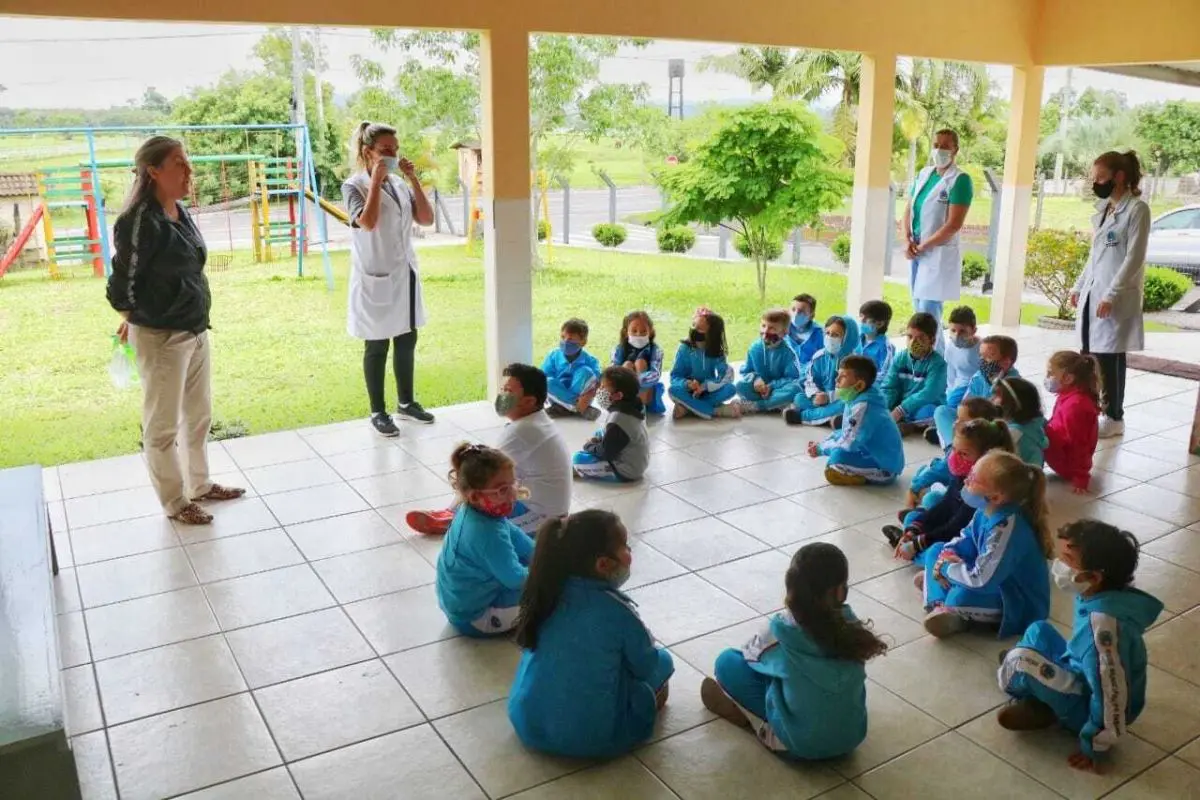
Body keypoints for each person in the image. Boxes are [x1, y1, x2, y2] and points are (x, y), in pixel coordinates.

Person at [106, 135, 244, 526]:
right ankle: (174, 500)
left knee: (198, 417)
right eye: (179, 163)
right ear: (153, 171)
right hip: (162, 337)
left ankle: (199, 485)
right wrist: (134, 317)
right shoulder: (138, 221)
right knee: (162, 426)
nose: (189, 171)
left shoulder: (179, 212)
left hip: (195, 330)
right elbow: (122, 285)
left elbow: (184, 270)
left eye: (188, 162)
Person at [997, 519, 1163, 773]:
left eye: (1067, 561)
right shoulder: (1099, 594)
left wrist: (1094, 745)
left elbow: (1112, 695)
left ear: (1093, 577)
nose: (1059, 565)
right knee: (1038, 629)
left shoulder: (1104, 631)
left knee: (1022, 659)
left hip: (1090, 708)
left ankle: (1031, 697)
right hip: (1084, 676)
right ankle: (1040, 697)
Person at [699, 542, 888, 759]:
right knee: (793, 676)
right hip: (852, 738)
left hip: (799, 747)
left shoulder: (783, 629)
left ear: (792, 586)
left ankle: (755, 721)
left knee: (727, 663)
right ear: (840, 591)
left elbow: (750, 655)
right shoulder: (853, 629)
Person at [508, 510, 673, 758]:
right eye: (626, 547)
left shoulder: (546, 594)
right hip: (592, 739)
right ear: (603, 564)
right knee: (663, 662)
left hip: (527, 723)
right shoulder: (618, 611)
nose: (630, 553)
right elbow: (645, 667)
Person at [343, 121, 436, 437]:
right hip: (376, 277)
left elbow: (426, 218)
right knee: (377, 343)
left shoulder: (399, 185)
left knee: (407, 338)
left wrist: (412, 178)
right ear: (368, 152)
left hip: (404, 273)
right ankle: (378, 411)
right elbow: (367, 222)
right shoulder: (353, 186)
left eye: (395, 151)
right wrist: (375, 183)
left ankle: (406, 403)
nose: (392, 156)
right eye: (385, 151)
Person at [406, 363, 571, 536]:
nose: (502, 396)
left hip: (540, 520)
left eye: (508, 391)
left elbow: (482, 472)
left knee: (483, 491)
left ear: (529, 401)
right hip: (551, 514)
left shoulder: (522, 431)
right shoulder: (537, 421)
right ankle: (453, 516)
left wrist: (455, 506)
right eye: (502, 389)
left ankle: (453, 519)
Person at [918, 451, 1051, 639]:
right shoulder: (986, 509)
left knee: (960, 596)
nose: (966, 480)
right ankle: (941, 604)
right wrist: (948, 554)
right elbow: (966, 537)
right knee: (936, 550)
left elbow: (983, 581)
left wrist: (946, 567)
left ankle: (942, 599)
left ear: (996, 497)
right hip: (989, 577)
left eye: (973, 478)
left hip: (1014, 599)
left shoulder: (1007, 526)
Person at [1071, 150, 1151, 440]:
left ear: (1120, 177)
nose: (1097, 183)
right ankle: (1095, 409)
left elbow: (1134, 258)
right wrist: (1079, 287)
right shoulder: (1105, 208)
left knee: (1110, 356)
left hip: (1114, 296)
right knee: (1093, 353)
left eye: (1101, 177)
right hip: (1096, 291)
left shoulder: (1137, 210)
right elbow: (1095, 256)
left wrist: (1111, 294)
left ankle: (1114, 415)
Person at [435, 443, 534, 637]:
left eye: (512, 484)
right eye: (502, 490)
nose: (513, 494)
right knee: (548, 589)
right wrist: (553, 570)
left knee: (529, 562)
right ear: (474, 496)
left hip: (458, 604)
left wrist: (550, 554)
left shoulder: (472, 511)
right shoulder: (488, 534)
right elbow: (515, 580)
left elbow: (523, 543)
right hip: (476, 618)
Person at [885, 419, 1016, 565]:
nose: (954, 457)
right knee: (914, 517)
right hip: (953, 528)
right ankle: (909, 544)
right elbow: (945, 506)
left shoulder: (982, 490)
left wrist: (917, 544)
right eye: (954, 449)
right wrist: (912, 532)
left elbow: (956, 528)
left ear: (984, 459)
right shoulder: (962, 476)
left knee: (935, 552)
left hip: (962, 539)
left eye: (964, 454)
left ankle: (916, 555)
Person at [904, 128, 974, 354]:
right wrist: (907, 238)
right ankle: (921, 356)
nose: (940, 149)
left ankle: (936, 361)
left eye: (945, 145)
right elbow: (909, 207)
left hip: (936, 252)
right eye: (936, 145)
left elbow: (953, 224)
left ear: (956, 150)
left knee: (929, 312)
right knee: (918, 307)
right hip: (916, 249)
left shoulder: (960, 180)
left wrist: (923, 246)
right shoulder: (924, 174)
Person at [805, 355, 905, 486]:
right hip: (872, 453)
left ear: (859, 385)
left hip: (885, 467)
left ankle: (864, 477)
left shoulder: (863, 407)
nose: (837, 380)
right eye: (838, 375)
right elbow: (846, 432)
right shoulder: (858, 397)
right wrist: (825, 442)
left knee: (836, 458)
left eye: (843, 376)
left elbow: (849, 443)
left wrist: (821, 449)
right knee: (836, 439)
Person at [904, 397, 1000, 517]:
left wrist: (915, 489)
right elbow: (945, 471)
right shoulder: (963, 452)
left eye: (962, 420)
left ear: (976, 428)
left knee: (930, 498)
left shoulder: (986, 464)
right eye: (957, 418)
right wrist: (915, 488)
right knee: (940, 411)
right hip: (955, 490)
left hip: (966, 504)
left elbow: (961, 513)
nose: (955, 423)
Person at [932, 334, 1019, 448]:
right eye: (981, 356)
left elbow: (1003, 419)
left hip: (989, 428)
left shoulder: (1013, 386)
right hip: (971, 420)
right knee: (941, 411)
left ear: (1006, 362)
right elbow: (966, 403)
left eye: (989, 357)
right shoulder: (979, 377)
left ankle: (954, 444)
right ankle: (953, 446)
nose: (982, 361)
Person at [572, 367, 650, 483]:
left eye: (603, 388)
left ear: (618, 396)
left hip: (627, 471)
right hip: (636, 458)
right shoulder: (635, 406)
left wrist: (589, 446)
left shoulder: (618, 419)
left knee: (578, 458)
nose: (599, 390)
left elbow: (605, 453)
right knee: (600, 433)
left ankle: (580, 469)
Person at [1044, 351, 1103, 494]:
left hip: (1067, 464)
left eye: (1051, 374)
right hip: (1061, 452)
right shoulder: (1068, 396)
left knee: (1027, 432)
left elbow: (1080, 445)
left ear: (1068, 378)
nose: (1047, 378)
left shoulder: (1075, 406)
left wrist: (1081, 477)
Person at [785, 315, 861, 427]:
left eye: (836, 335)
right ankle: (832, 419)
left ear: (848, 339)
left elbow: (850, 391)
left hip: (840, 399)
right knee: (799, 398)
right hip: (820, 400)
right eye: (828, 333)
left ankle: (801, 416)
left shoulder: (855, 363)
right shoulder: (819, 356)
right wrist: (815, 394)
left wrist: (828, 398)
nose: (830, 338)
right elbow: (810, 380)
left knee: (846, 405)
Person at [723, 309, 801, 417]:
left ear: (784, 332)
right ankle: (775, 404)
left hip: (777, 389)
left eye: (772, 328)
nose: (766, 331)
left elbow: (793, 378)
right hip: (758, 390)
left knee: (795, 389)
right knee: (740, 386)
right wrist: (755, 379)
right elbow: (746, 371)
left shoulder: (789, 353)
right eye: (764, 326)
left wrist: (771, 386)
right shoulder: (754, 348)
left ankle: (757, 406)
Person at [880, 312, 947, 435]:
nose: (913, 342)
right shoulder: (900, 358)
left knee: (932, 412)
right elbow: (889, 386)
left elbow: (930, 393)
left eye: (920, 338)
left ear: (932, 340)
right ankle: (904, 424)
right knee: (878, 402)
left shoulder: (938, 363)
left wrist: (901, 410)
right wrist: (885, 406)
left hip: (923, 405)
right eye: (910, 337)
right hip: (901, 404)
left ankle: (912, 426)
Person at [668, 307, 736, 420]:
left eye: (700, 329)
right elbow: (675, 376)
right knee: (673, 390)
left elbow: (723, 376)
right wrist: (687, 383)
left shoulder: (717, 351)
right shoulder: (684, 348)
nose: (694, 330)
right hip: (689, 391)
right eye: (694, 325)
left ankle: (688, 407)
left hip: (708, 391)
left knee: (731, 389)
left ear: (712, 334)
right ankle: (716, 411)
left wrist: (704, 387)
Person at [543, 318, 602, 420]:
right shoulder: (553, 356)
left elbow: (597, 383)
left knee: (587, 372)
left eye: (570, 339)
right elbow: (544, 375)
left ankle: (562, 409)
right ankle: (578, 408)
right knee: (546, 381)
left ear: (583, 342)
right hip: (559, 396)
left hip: (583, 398)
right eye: (562, 337)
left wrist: (588, 395)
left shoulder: (591, 360)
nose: (565, 341)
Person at [611, 310, 665, 415]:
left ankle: (640, 406)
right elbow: (613, 371)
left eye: (643, 331)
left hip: (646, 392)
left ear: (651, 332)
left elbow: (655, 374)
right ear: (626, 332)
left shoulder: (655, 350)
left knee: (640, 363)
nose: (639, 334)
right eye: (634, 331)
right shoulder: (619, 349)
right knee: (626, 365)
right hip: (624, 390)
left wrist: (636, 380)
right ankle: (626, 404)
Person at [992, 377, 1048, 469]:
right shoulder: (1035, 422)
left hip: (1019, 479)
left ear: (1012, 403)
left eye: (997, 396)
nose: (992, 399)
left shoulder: (1013, 433)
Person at [785, 293, 824, 372]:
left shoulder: (821, 334)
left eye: (801, 312)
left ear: (811, 315)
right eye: (793, 309)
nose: (796, 314)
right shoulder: (782, 330)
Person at [857, 299, 896, 378]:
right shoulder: (857, 340)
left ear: (879, 324)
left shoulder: (885, 348)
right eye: (861, 317)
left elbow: (885, 375)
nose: (861, 321)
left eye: (866, 320)